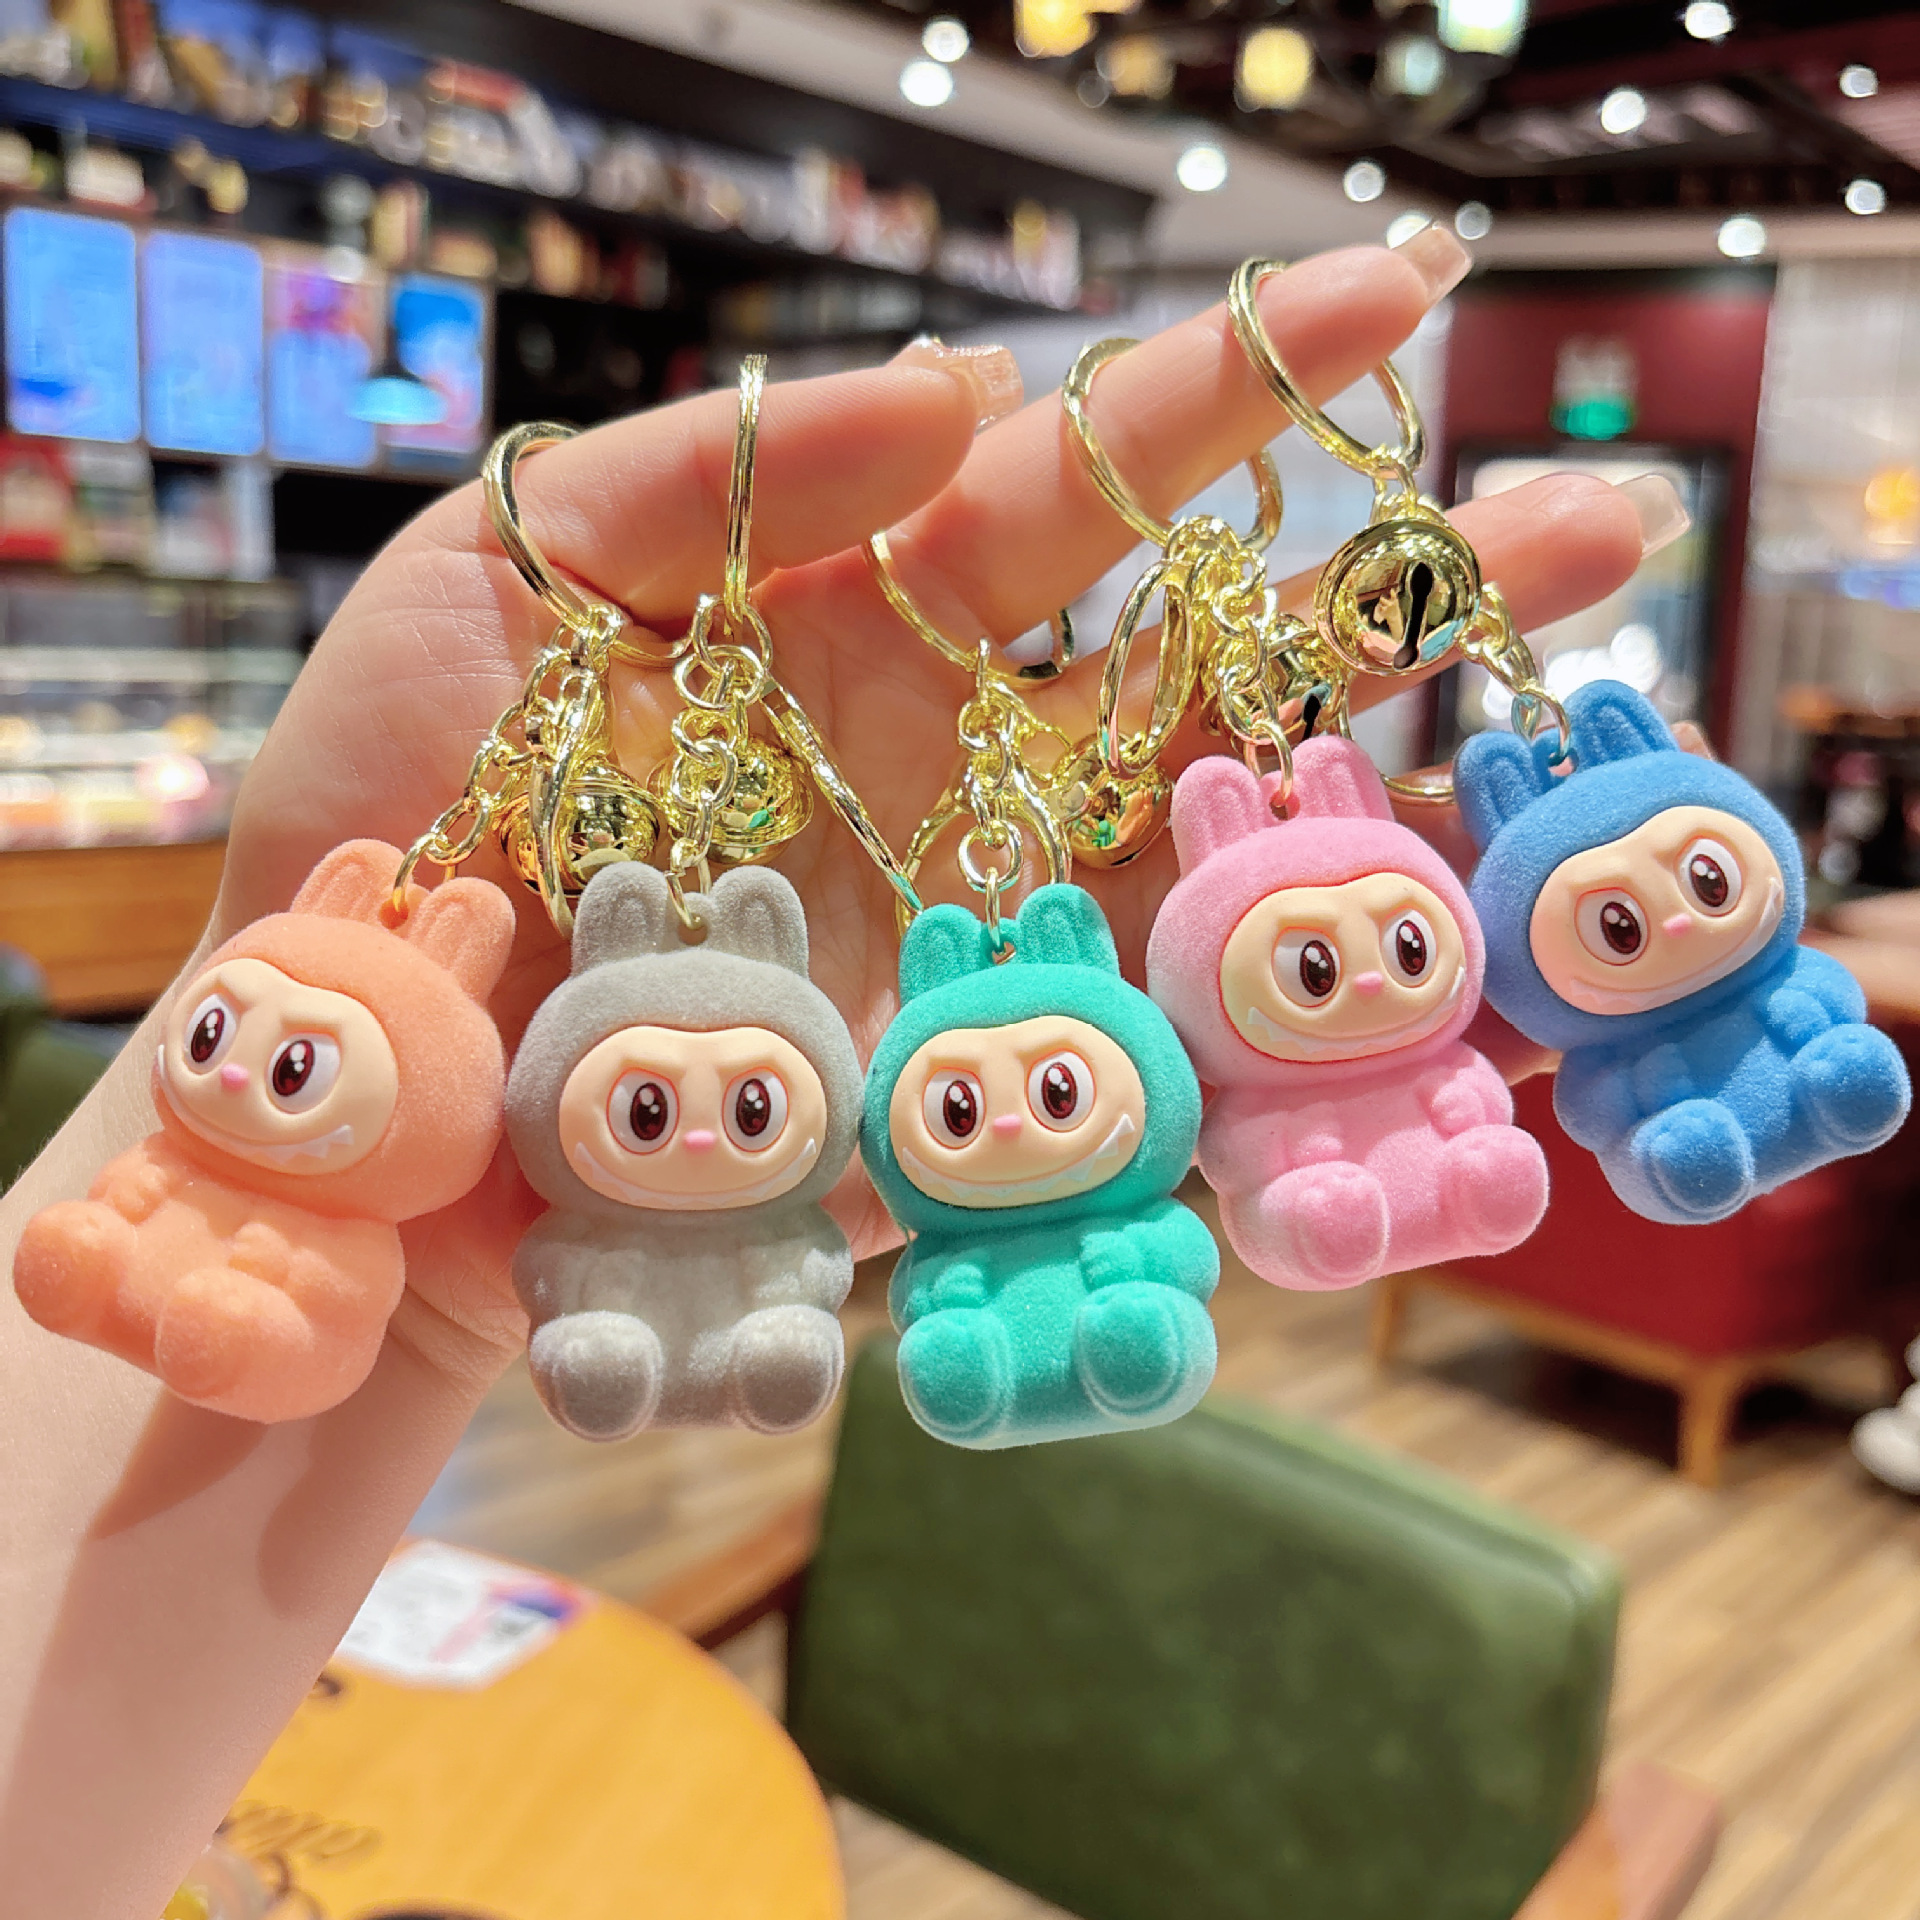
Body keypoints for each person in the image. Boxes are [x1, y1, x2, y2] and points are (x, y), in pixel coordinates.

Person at [0, 230, 1676, 1917]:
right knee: (901, 1304)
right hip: (575, 1207)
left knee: (1138, 1256)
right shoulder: (577, 1040)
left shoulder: (1107, 1024)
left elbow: (1101, 1205)